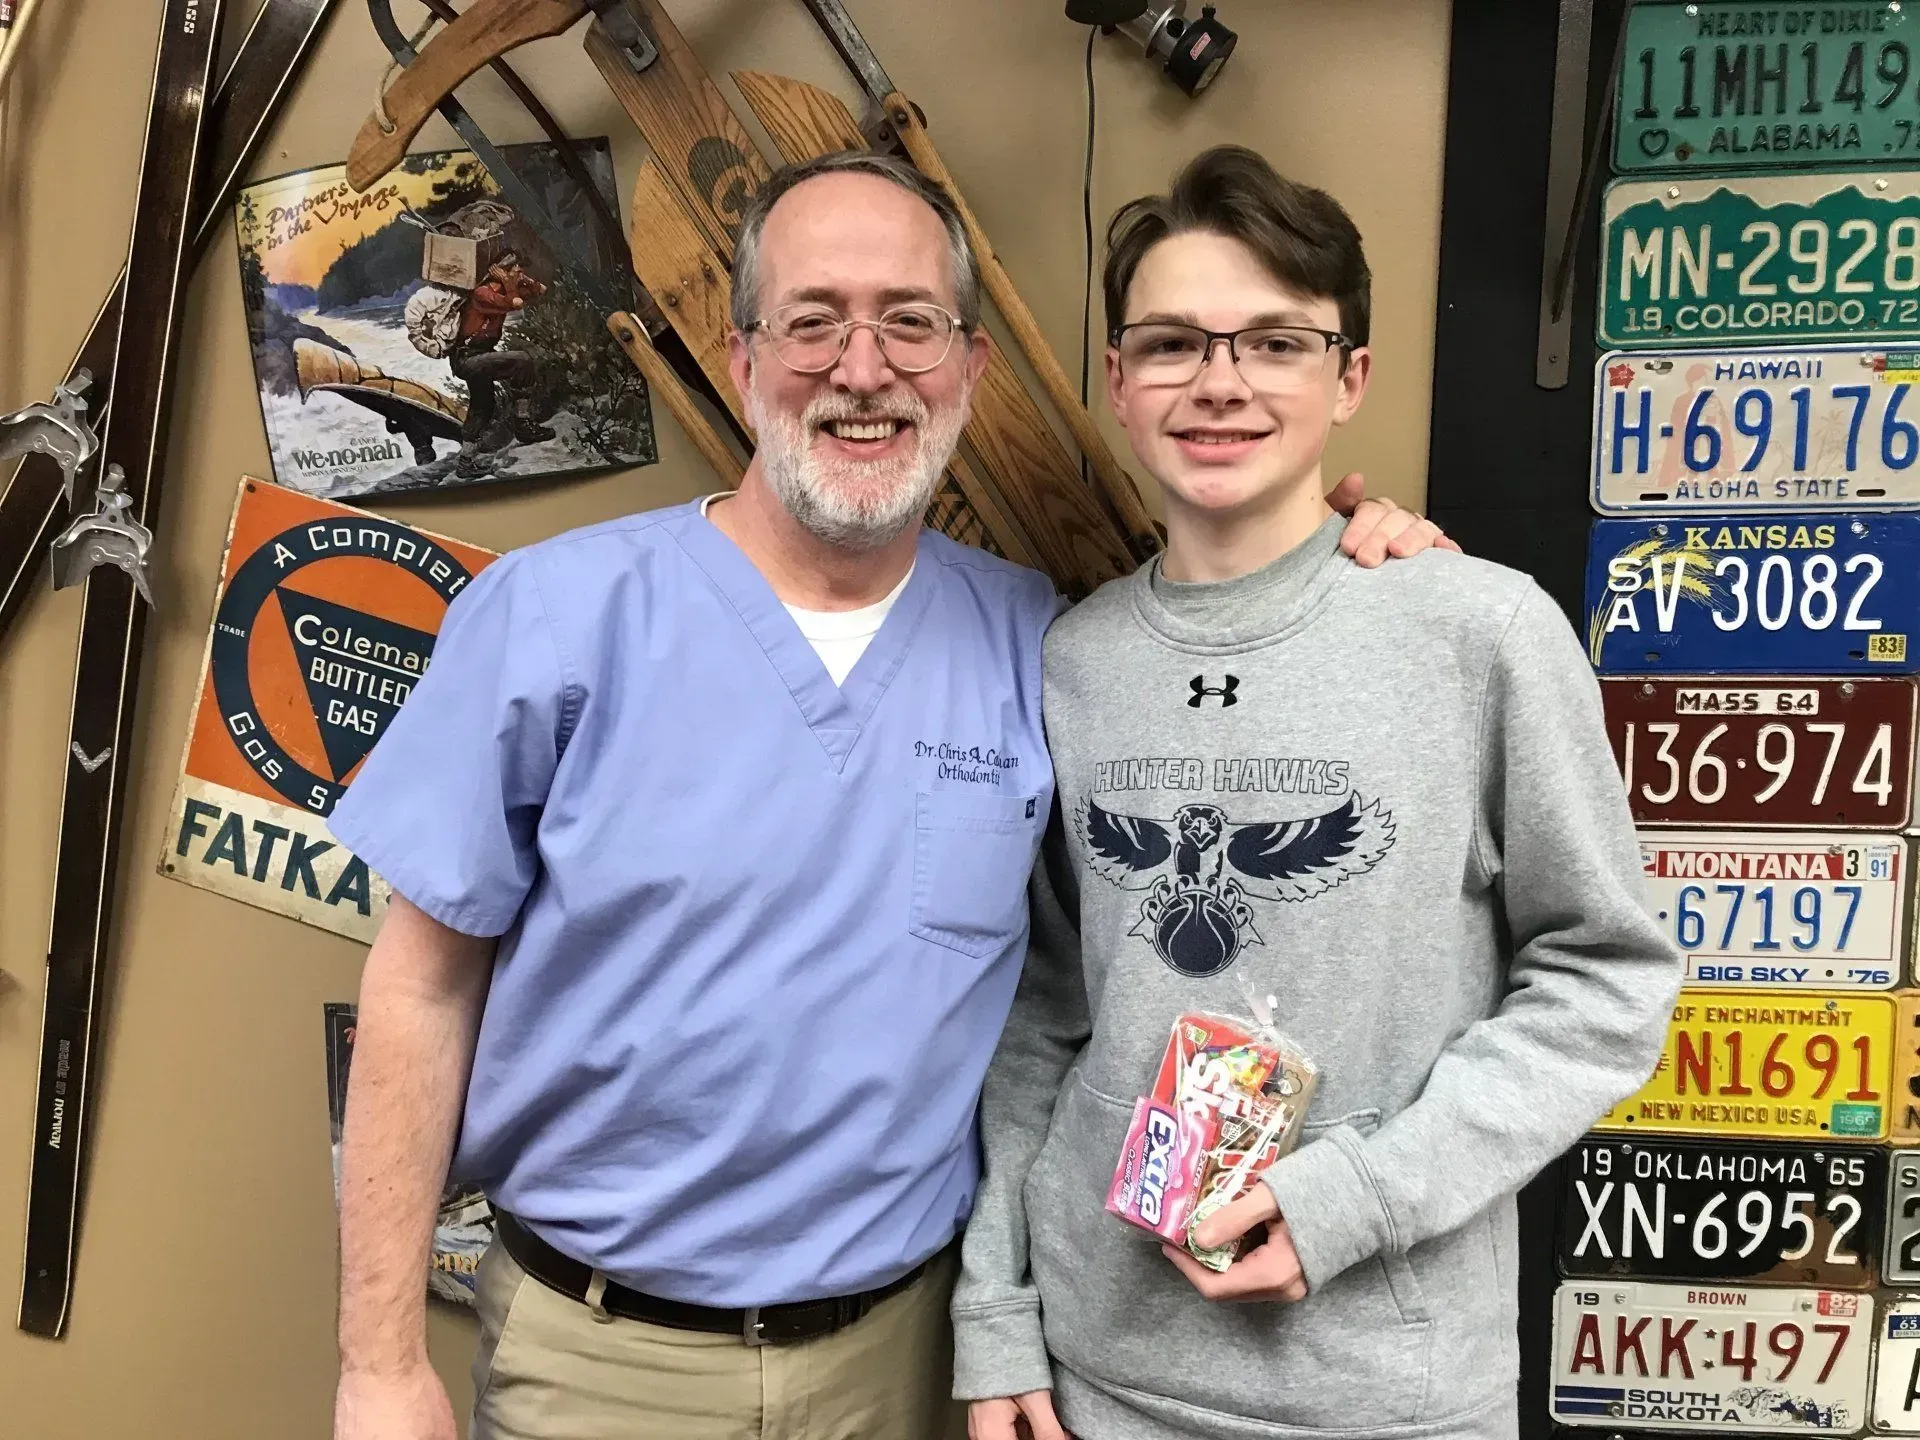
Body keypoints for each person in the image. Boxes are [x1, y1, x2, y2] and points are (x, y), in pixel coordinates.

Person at [325, 148, 1444, 1440]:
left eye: (910, 324)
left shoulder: (1044, 649)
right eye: (813, 323)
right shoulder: (554, 620)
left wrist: (1366, 567)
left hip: (905, 1362)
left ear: (968, 367)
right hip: (600, 1361)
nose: (862, 370)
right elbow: (418, 985)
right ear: (741, 363)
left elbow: (1233, 741)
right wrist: (377, 1360)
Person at [952, 146, 1683, 1440]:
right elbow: (1042, 1013)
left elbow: (1607, 980)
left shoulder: (1480, 633)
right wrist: (997, 1316)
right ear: (1118, 382)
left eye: (1277, 342)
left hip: (1382, 1391)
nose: (1221, 383)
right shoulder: (1075, 662)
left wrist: (1355, 1199)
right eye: (1173, 343)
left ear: (1350, 377)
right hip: (1098, 1376)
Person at [449, 254, 552, 473]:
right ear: (500, 271)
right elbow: (516, 303)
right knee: (522, 361)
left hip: (481, 356)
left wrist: (518, 279)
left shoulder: (506, 289)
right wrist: (509, 281)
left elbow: (541, 289)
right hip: (468, 358)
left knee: (483, 406)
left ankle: (465, 463)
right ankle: (522, 425)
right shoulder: (482, 293)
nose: (520, 271)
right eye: (515, 268)